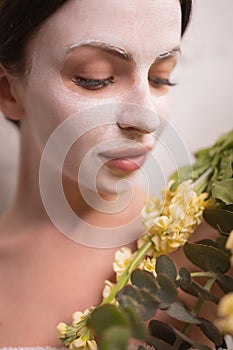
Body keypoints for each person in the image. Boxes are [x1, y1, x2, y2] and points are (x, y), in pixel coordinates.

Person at [1, 0, 230, 349]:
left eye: (161, 77)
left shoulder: (203, 261)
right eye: (95, 79)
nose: (146, 118)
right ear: (7, 90)